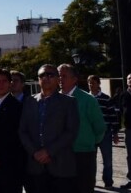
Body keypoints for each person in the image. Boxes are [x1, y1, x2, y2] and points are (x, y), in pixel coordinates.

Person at [18, 64, 79, 193]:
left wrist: (48, 152)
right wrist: (35, 153)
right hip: (35, 166)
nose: (46, 78)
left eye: (50, 75)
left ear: (58, 79)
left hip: (61, 166)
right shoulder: (29, 101)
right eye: (42, 75)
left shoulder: (69, 102)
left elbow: (71, 132)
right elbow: (22, 131)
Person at [58, 63, 105, 193]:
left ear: (74, 79)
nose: (60, 79)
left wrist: (87, 142)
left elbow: (100, 128)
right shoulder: (54, 99)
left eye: (64, 76)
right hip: (60, 155)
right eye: (59, 76)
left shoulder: (87, 100)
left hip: (83, 155)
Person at [87, 74, 120, 188]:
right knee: (91, 160)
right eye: (89, 83)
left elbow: (113, 115)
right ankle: (91, 182)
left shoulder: (106, 98)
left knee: (107, 160)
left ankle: (108, 181)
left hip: (105, 133)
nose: (91, 85)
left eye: (93, 83)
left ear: (98, 84)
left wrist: (115, 132)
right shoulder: (86, 98)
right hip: (90, 134)